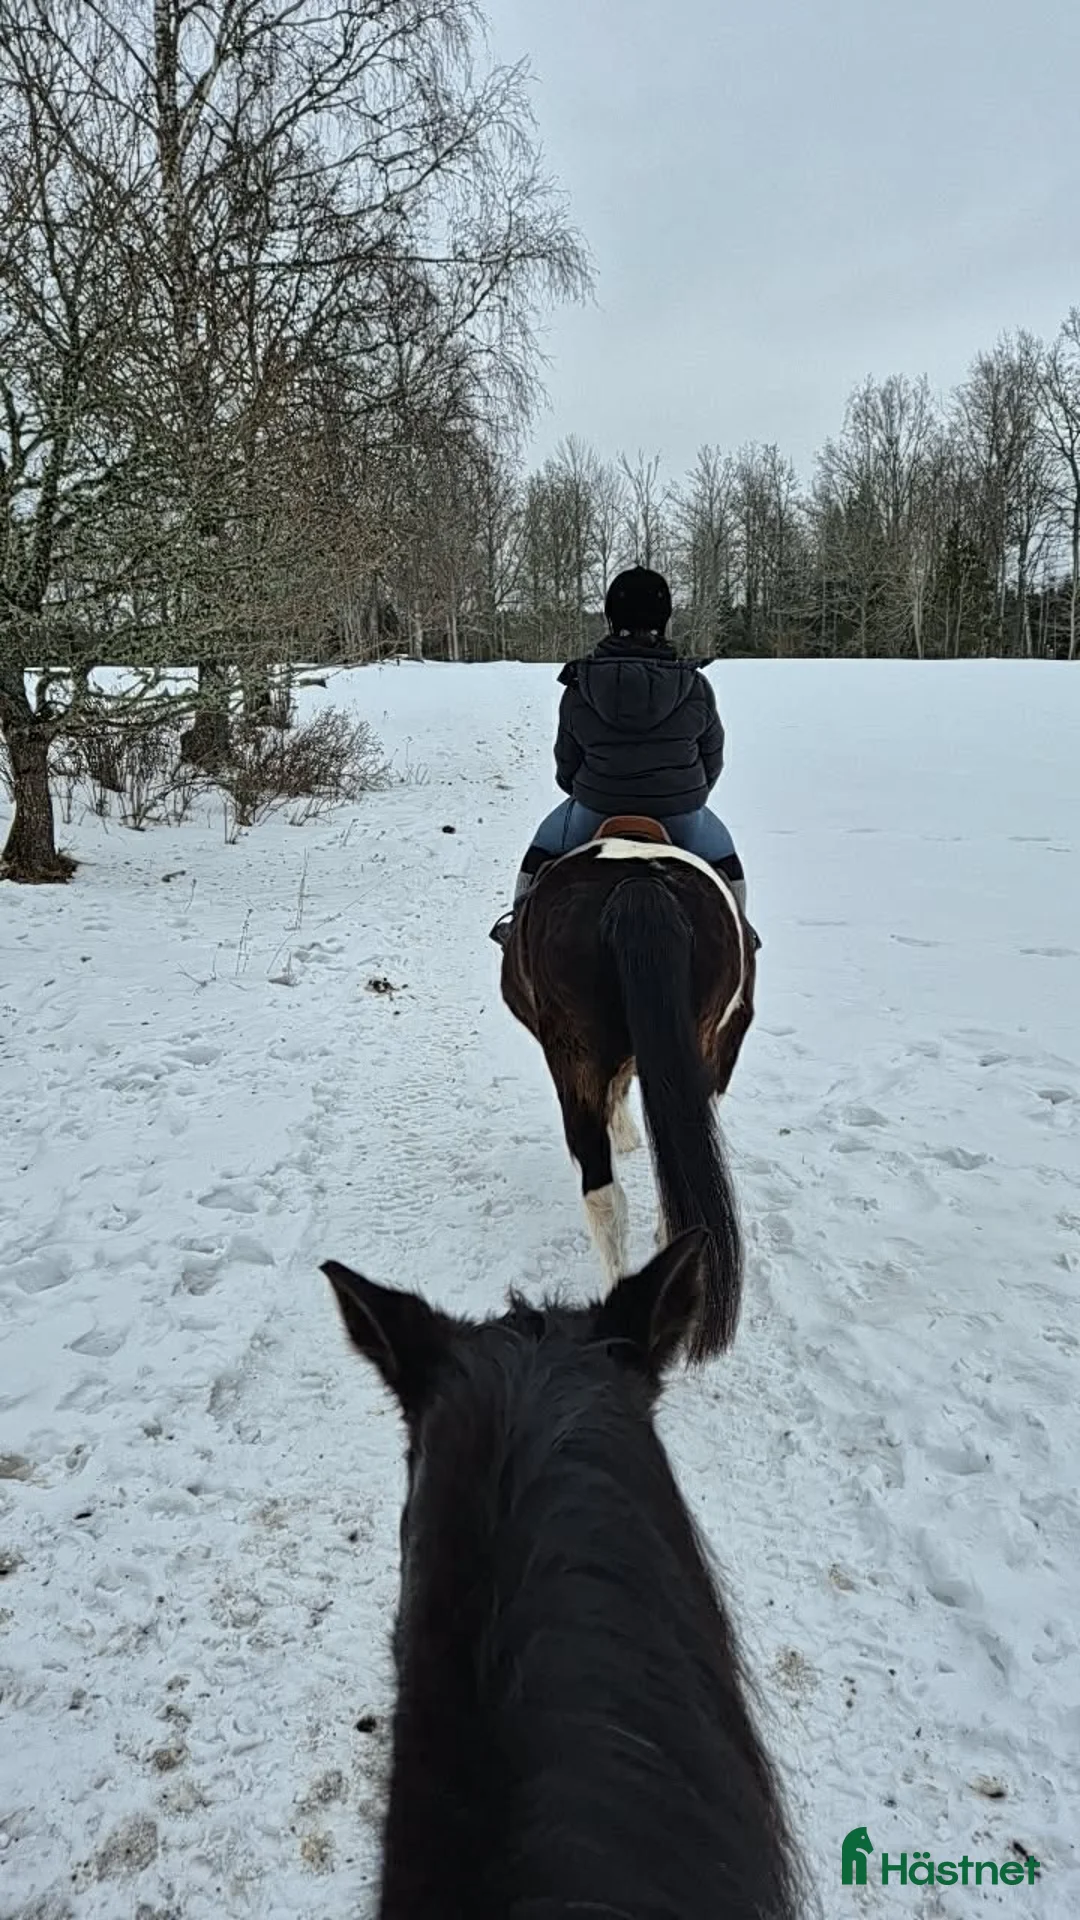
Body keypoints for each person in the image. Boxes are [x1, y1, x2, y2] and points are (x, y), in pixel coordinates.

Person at [489, 566, 757, 948]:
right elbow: (712, 760)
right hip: (680, 813)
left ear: (611, 619)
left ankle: (517, 930)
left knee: (538, 856)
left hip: (595, 809)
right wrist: (682, 793)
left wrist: (594, 787)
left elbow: (566, 769)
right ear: (664, 620)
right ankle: (740, 940)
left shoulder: (580, 686)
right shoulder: (695, 686)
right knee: (729, 866)